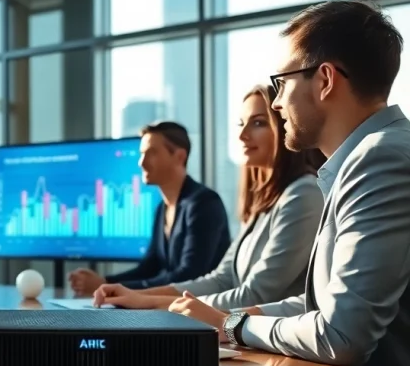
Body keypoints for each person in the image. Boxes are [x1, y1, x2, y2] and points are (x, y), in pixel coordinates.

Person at [170, 0, 410, 366]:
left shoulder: (379, 159)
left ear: (326, 80)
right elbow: (329, 306)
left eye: (282, 82)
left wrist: (231, 324)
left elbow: (341, 334)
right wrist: (224, 317)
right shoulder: (368, 157)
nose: (277, 101)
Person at [93, 85, 324, 310]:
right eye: (241, 124)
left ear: (286, 125)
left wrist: (151, 302)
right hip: (243, 334)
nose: (243, 135)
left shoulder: (302, 195)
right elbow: (222, 279)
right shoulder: (263, 203)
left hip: (274, 343)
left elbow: (255, 295)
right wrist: (135, 295)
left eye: (258, 123)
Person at [69, 121, 231, 293]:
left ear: (180, 157)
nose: (141, 162)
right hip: (170, 308)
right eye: (141, 154)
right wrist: (105, 282)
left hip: (202, 311)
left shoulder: (204, 203)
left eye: (151, 153)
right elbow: (149, 267)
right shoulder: (162, 208)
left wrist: (109, 287)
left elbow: (188, 275)